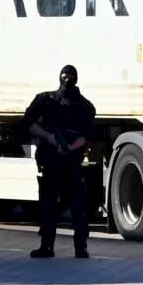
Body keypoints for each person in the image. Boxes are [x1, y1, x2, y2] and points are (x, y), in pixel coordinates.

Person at [23, 64, 97, 258]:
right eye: (67, 76)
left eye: (68, 76)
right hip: (59, 159)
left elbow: (85, 136)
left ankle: (52, 246)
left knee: (59, 203)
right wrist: (51, 138)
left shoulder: (79, 105)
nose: (67, 80)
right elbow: (29, 123)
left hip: (63, 159)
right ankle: (77, 247)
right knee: (67, 204)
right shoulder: (48, 100)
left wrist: (63, 146)